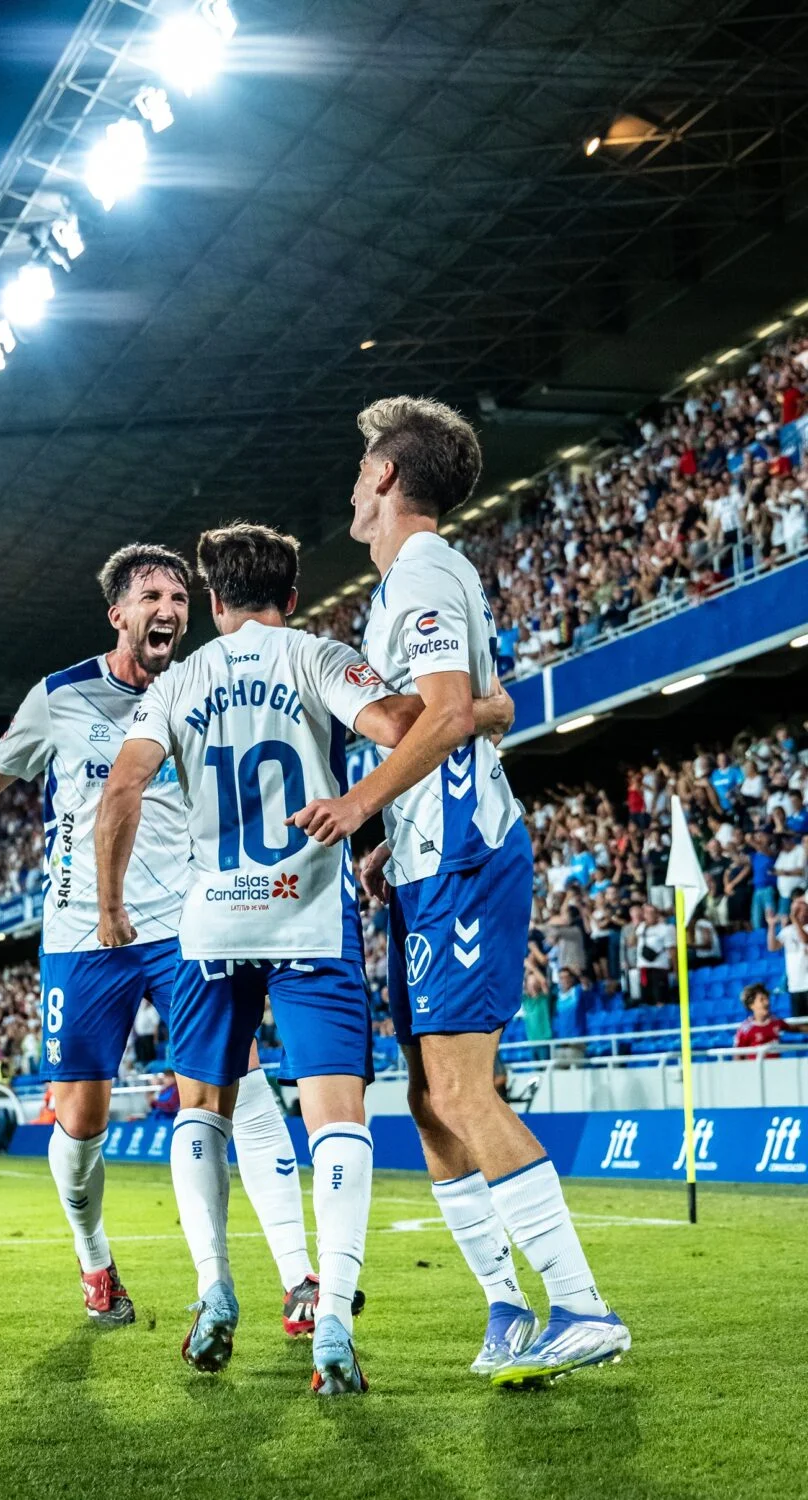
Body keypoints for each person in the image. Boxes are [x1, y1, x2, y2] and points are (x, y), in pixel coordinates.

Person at [0, 545, 334, 1334]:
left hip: (189, 928)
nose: (171, 608)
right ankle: (95, 1262)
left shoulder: (204, 685)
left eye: (181, 596)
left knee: (237, 1081)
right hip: (83, 935)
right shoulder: (60, 698)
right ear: (117, 613)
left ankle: (298, 1279)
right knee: (81, 1121)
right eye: (153, 594)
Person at [95, 522, 503, 1395]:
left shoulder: (182, 679)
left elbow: (123, 785)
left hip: (212, 924)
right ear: (291, 598)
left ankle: (214, 1293)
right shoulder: (320, 656)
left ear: (211, 603)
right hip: (308, 920)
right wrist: (484, 708)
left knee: (202, 1109)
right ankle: (332, 1325)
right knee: (335, 1118)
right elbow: (406, 724)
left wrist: (110, 904)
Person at [294, 393, 628, 1387]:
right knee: (427, 1096)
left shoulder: (427, 569)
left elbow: (443, 717)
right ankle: (506, 1306)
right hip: (426, 861)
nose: (356, 485)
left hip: (466, 859)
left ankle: (581, 1306)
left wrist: (358, 805)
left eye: (364, 471)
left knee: (461, 1088)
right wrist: (389, 832)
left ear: (388, 477)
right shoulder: (408, 583)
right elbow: (474, 708)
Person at [734, 983, 808, 1056]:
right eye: (762, 1000)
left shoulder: (775, 1021)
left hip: (775, 1066)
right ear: (751, 1005)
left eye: (767, 998)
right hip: (756, 1067)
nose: (767, 1002)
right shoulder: (745, 1029)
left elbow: (797, 1028)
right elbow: (738, 1055)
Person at [767, 897, 808, 1017]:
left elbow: (805, 940)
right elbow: (772, 946)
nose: (797, 911)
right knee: (800, 1023)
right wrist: (772, 926)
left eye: (801, 908)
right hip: (794, 985)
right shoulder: (788, 930)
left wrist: (794, 920)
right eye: (795, 908)